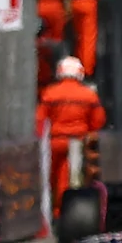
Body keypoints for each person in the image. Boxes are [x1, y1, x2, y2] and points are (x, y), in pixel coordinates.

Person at [38, 54, 107, 214]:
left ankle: (53, 212)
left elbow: (40, 119)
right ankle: (68, 212)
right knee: (72, 179)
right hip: (77, 141)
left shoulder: (50, 93)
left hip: (53, 142)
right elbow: (98, 121)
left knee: (51, 178)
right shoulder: (88, 95)